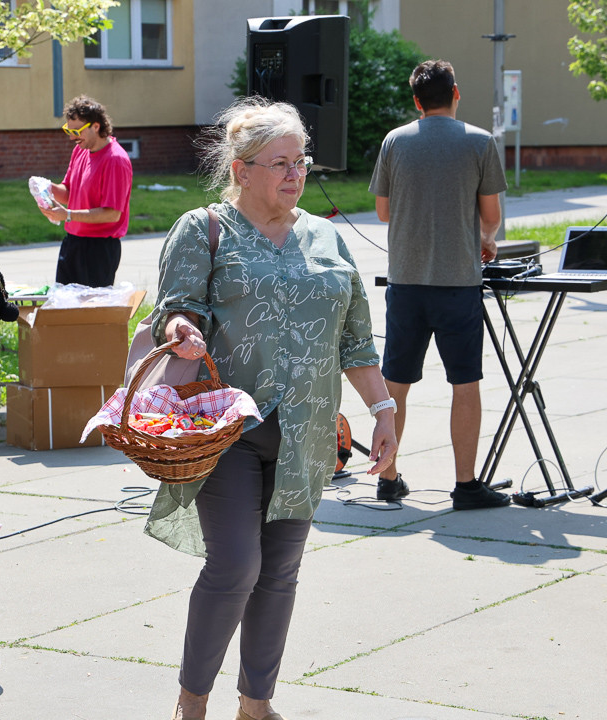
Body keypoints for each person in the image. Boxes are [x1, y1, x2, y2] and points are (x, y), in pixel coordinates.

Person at [147, 98, 397, 720]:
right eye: (279, 162)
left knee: (279, 573)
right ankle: (192, 701)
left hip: (307, 432)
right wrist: (180, 326)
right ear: (241, 169)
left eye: (301, 161)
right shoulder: (203, 228)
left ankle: (256, 705)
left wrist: (383, 408)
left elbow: (355, 338)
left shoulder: (326, 236)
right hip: (226, 427)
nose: (294, 173)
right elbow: (173, 310)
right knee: (235, 566)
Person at [369, 59, 510, 510]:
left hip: (406, 283)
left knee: (396, 384)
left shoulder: (394, 141)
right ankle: (466, 485)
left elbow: (384, 212)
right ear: (456, 93)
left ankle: (388, 478)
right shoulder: (480, 141)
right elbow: (491, 217)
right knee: (465, 384)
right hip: (458, 284)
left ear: (416, 101)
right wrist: (485, 240)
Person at [39, 95, 132, 288]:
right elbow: (68, 193)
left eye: (76, 131)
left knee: (91, 312)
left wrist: (68, 215)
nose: (72, 137)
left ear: (96, 126)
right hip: (73, 242)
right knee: (64, 307)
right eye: (68, 130)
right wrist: (46, 189)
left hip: (98, 249)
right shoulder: (80, 150)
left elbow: (112, 214)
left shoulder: (116, 160)